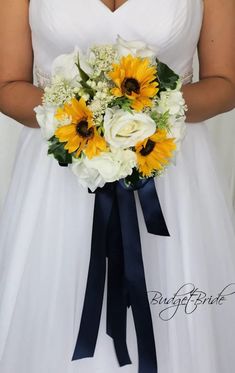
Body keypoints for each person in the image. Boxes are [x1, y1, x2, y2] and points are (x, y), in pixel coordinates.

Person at [0, 0, 235, 372]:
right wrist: (85, 116)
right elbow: (7, 84)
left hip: (170, 169)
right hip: (58, 180)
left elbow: (225, 83)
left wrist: (145, 112)